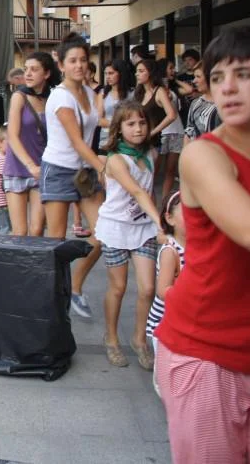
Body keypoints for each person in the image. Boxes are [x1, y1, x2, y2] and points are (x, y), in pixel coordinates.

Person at [155, 26, 250, 462]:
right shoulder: (204, 155)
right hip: (207, 355)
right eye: (217, 77)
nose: (227, 88)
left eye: (244, 74)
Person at [95, 101, 166, 370]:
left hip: (144, 228)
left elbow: (148, 190)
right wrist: (162, 222)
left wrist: (155, 222)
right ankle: (111, 338)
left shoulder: (152, 154)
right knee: (119, 287)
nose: (138, 129)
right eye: (131, 124)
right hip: (115, 228)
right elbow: (136, 191)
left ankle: (139, 339)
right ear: (119, 128)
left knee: (148, 288)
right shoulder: (115, 160)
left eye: (142, 123)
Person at [40, 33, 105, 319]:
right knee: (56, 241)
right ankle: (52, 301)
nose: (79, 65)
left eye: (83, 60)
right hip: (58, 170)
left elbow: (96, 125)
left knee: (104, 234)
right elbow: (78, 141)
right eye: (73, 61)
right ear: (62, 65)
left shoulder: (89, 93)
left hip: (84, 171)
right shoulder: (60, 96)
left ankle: (75, 287)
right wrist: (104, 168)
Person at [3, 52, 57, 236]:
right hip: (18, 167)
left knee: (37, 229)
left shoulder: (53, 98)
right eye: (26, 69)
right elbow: (12, 135)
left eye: (34, 70)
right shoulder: (19, 97)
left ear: (47, 73)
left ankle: (33, 258)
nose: (28, 73)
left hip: (42, 168)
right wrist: (30, 165)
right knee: (20, 231)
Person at [145, 189, 185, 396]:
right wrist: (191, 294)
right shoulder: (171, 251)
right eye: (187, 213)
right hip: (164, 322)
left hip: (183, 321)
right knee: (166, 375)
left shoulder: (199, 247)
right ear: (169, 218)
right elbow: (162, 291)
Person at [155, 58, 185, 203]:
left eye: (174, 68)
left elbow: (189, 90)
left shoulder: (173, 89)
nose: (173, 70)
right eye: (170, 68)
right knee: (154, 169)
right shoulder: (157, 89)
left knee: (171, 170)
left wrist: (175, 80)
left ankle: (164, 202)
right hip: (162, 132)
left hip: (177, 131)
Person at [96, 59, 135, 148]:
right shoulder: (103, 93)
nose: (107, 77)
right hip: (106, 138)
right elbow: (99, 120)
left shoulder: (132, 93)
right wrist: (119, 125)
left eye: (111, 73)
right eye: (106, 74)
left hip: (127, 139)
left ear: (120, 73)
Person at [183, 61, 220, 143]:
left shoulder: (223, 104)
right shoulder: (195, 103)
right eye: (194, 77)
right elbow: (189, 133)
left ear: (210, 78)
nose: (194, 81)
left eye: (198, 77)